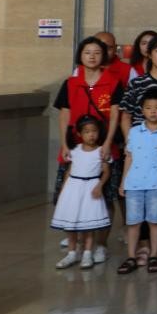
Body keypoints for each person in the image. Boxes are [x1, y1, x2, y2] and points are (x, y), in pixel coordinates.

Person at [53, 36, 123, 261]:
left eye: (97, 52)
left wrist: (108, 142)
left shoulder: (113, 82)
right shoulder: (70, 83)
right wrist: (64, 144)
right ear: (80, 56)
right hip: (76, 149)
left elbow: (115, 116)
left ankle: (101, 244)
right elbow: (64, 115)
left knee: (105, 198)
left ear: (104, 56)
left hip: (103, 149)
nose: (92, 57)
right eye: (87, 52)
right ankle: (77, 247)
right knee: (72, 197)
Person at [116, 91, 157, 275]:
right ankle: (131, 256)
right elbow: (129, 158)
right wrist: (123, 183)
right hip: (134, 185)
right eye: (148, 108)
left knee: (155, 221)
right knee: (133, 223)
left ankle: (154, 255)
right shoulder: (134, 132)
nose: (153, 111)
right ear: (142, 110)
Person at [51, 116, 111, 270]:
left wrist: (99, 185)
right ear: (79, 134)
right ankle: (71, 253)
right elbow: (69, 171)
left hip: (90, 188)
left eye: (94, 131)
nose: (91, 135)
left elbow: (106, 171)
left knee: (88, 224)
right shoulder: (75, 151)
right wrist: (63, 190)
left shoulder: (100, 151)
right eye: (87, 132)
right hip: (73, 188)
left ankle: (87, 253)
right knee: (71, 224)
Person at [119, 35, 157, 135]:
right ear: (149, 54)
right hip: (140, 140)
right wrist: (130, 141)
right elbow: (126, 116)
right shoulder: (137, 83)